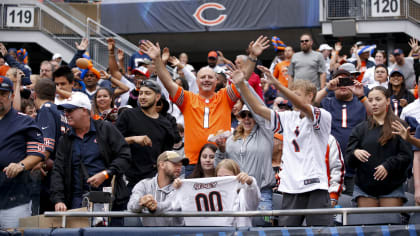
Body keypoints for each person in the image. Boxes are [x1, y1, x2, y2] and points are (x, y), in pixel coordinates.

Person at [140, 37, 268, 177]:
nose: (206, 79)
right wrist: (157, 60)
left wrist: (253, 56)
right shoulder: (188, 99)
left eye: (210, 77)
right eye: (202, 77)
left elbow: (241, 79)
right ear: (196, 81)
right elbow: (168, 82)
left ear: (216, 81)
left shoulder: (224, 97)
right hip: (193, 163)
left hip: (221, 162)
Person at [231, 61, 332, 226]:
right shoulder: (287, 117)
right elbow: (258, 109)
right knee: (288, 232)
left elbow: (302, 106)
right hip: (290, 187)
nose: (292, 98)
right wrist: (242, 84)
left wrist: (277, 84)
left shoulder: (322, 115)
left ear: (310, 96)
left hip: (314, 185)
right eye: (291, 94)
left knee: (321, 231)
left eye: (297, 94)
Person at [50, 92, 131, 213]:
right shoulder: (65, 139)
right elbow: (58, 171)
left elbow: (125, 156)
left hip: (109, 198)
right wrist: (58, 200)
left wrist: (106, 174)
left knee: (109, 232)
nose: (66, 114)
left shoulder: (106, 129)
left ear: (84, 110)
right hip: (77, 201)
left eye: (70, 110)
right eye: (65, 111)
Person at [215, 88, 275, 225]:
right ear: (239, 118)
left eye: (250, 115)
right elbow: (218, 166)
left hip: (262, 193)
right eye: (243, 115)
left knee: (263, 225)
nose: (247, 118)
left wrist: (243, 86)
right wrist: (221, 150)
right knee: (235, 229)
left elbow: (262, 111)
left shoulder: (266, 134)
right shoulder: (231, 139)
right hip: (236, 192)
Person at [346, 86, 412, 207]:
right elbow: (349, 160)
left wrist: (388, 165)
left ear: (387, 101)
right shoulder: (360, 128)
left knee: (391, 225)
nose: (374, 103)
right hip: (364, 188)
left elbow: (407, 156)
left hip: (392, 188)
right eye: (370, 100)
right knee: (367, 224)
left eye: (378, 99)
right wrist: (355, 153)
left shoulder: (399, 125)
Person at [314, 69, 370, 194]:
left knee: (352, 208)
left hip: (356, 167)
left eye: (346, 81)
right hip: (329, 168)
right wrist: (328, 89)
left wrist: (361, 95)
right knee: (329, 207)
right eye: (339, 82)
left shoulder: (361, 103)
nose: (343, 85)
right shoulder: (326, 102)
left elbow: (377, 115)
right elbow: (309, 104)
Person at [0, 76, 44, 228]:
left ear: (11, 96)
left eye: (3, 94)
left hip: (15, 198)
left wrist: (21, 165)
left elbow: (38, 153)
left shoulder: (25, 121)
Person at [116, 79, 176, 190]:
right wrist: (133, 139)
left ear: (157, 97)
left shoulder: (165, 124)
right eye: (141, 93)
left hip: (154, 183)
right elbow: (113, 142)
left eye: (147, 93)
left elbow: (166, 155)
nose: (142, 97)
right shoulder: (128, 115)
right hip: (129, 181)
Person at [32, 78, 68, 213]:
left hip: (52, 176)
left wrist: (37, 164)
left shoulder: (46, 110)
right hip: (62, 172)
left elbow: (46, 147)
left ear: (34, 95)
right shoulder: (61, 111)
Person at [127, 150, 188, 226]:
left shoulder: (182, 186)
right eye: (175, 164)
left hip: (175, 233)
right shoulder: (144, 184)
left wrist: (155, 207)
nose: (179, 168)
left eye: (180, 165)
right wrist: (141, 202)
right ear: (162, 165)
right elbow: (131, 206)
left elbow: (170, 206)